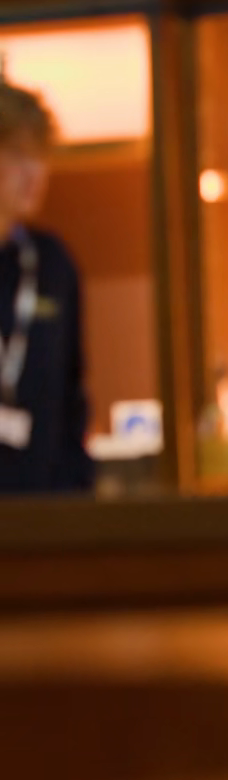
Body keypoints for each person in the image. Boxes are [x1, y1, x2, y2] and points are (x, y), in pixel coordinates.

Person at [0, 81, 91, 494]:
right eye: (18, 155)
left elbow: (72, 395)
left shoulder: (52, 264)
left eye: (40, 157)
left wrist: (75, 491)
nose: (33, 174)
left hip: (44, 507)